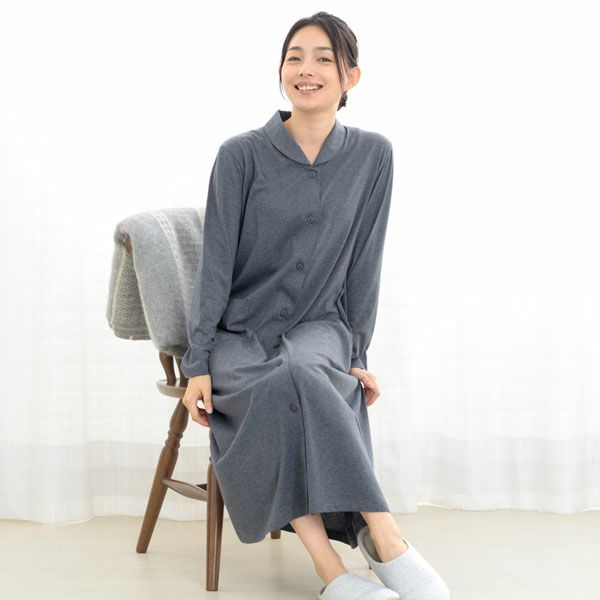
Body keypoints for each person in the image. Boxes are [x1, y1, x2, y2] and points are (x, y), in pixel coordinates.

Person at [180, 11, 447, 599]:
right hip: (240, 333)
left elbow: (365, 264)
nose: (307, 69)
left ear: (351, 76)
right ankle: (336, 568)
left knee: (305, 370)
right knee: (284, 384)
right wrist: (197, 362)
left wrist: (356, 353)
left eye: (324, 58)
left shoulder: (373, 155)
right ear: (280, 71)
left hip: (320, 325)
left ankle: (383, 537)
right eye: (294, 57)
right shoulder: (240, 155)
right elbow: (215, 267)